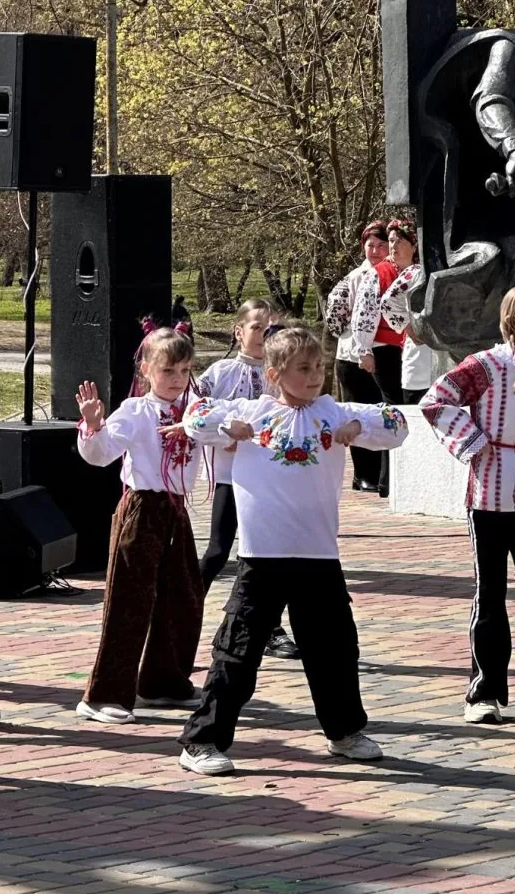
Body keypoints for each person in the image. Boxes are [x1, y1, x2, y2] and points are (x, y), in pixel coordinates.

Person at [174, 327, 409, 775]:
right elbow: (195, 415)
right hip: (262, 556)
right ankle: (202, 740)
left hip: (319, 555)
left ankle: (344, 732)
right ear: (276, 373)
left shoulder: (333, 413)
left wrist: (360, 427)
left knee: (336, 649)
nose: (315, 375)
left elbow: (396, 423)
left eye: (318, 366)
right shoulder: (253, 412)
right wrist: (228, 427)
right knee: (238, 651)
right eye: (303, 368)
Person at [421, 284, 515, 726]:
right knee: (489, 593)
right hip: (489, 493)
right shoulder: (485, 366)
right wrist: (474, 442)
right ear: (514, 324)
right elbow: (436, 401)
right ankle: (484, 692)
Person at [74, 328, 204, 724]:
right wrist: (93, 426)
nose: (177, 378)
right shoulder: (135, 410)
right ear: (146, 369)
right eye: (168, 370)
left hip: (176, 510)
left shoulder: (196, 409)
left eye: (184, 370)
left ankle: (162, 681)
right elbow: (101, 454)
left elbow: (221, 437)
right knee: (129, 600)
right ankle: (104, 694)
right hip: (142, 507)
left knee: (183, 596)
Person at [197, 299, 298, 660]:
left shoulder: (283, 374)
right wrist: (224, 433)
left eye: (271, 328)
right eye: (256, 327)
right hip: (230, 474)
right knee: (218, 549)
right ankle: (182, 613)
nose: (263, 335)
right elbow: (194, 414)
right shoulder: (220, 373)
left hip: (268, 477)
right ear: (239, 331)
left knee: (266, 553)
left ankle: (270, 628)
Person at [352, 219, 422, 495]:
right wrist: (364, 350)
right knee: (396, 411)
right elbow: (366, 314)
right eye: (390, 241)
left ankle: (393, 479)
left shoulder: (415, 271)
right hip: (383, 349)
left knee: (404, 408)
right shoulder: (379, 273)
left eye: (397, 241)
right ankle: (389, 481)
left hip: (405, 351)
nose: (392, 247)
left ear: (413, 246)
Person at [325, 220, 389, 492]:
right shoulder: (354, 278)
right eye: (370, 245)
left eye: (381, 245)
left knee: (379, 413)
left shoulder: (396, 274)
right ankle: (362, 473)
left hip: (384, 356)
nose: (374, 251)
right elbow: (335, 319)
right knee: (356, 412)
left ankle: (381, 473)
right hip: (353, 358)